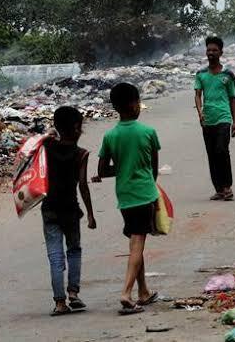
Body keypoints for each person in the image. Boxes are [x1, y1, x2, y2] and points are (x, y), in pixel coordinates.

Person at [95, 83, 160, 315]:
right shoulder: (148, 133)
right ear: (134, 104)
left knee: (135, 241)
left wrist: (119, 169)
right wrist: (153, 194)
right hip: (144, 193)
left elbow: (103, 170)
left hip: (124, 197)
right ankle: (126, 293)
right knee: (137, 244)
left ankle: (143, 291)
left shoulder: (110, 135)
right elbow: (154, 169)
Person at [41, 106, 96, 316]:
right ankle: (73, 293)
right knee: (74, 250)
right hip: (71, 209)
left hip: (49, 208)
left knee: (55, 255)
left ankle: (59, 302)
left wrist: (50, 135)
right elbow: (83, 185)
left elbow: (39, 141)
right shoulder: (81, 154)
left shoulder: (47, 147)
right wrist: (90, 213)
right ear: (77, 127)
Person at [194, 36, 235, 201]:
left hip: (223, 118)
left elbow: (233, 99)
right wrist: (200, 112)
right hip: (208, 119)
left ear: (221, 52)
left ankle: (227, 186)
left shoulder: (227, 75)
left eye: (214, 50)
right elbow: (198, 95)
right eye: (209, 50)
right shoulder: (201, 74)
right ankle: (219, 189)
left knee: (222, 150)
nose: (211, 53)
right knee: (212, 154)